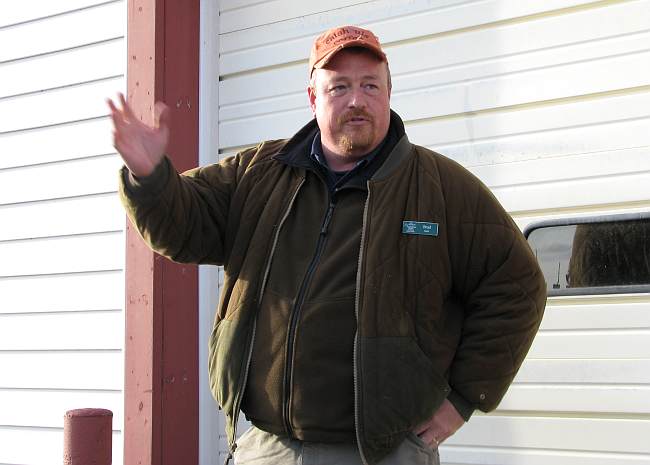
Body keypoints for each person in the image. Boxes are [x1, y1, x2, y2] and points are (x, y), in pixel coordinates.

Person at [109, 25, 546, 465]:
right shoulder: (260, 173)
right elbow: (184, 226)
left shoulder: (441, 188)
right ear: (313, 97)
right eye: (339, 86)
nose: (357, 100)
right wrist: (149, 178)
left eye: (370, 85)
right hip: (270, 448)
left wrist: (466, 397)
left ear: (389, 93)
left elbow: (518, 284)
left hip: (382, 453)